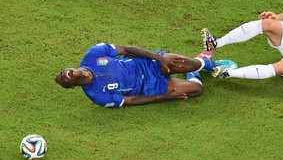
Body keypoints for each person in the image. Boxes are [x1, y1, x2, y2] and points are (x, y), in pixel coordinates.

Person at [55, 43, 216, 107]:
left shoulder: (93, 54)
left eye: (62, 72)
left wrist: (158, 57)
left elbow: (126, 49)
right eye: (63, 79)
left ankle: (207, 64)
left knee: (188, 63)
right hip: (149, 87)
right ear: (72, 85)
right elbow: (130, 100)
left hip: (147, 64)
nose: (63, 74)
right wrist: (163, 97)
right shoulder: (97, 96)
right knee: (196, 89)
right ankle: (195, 71)